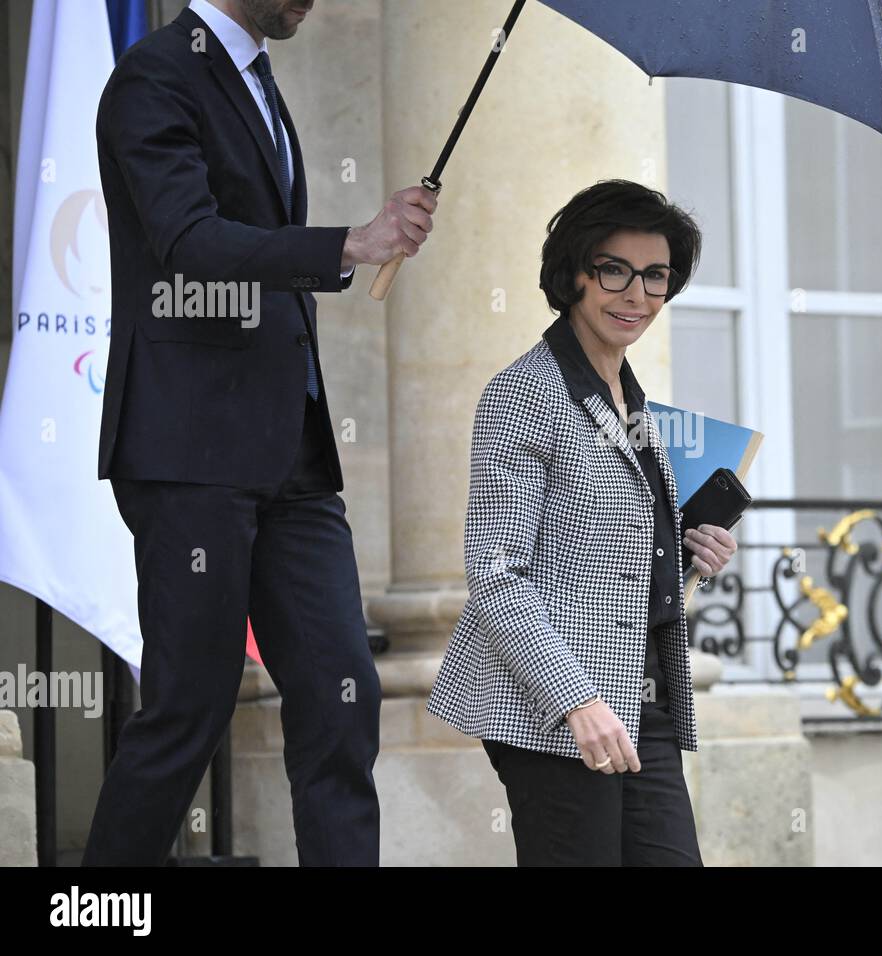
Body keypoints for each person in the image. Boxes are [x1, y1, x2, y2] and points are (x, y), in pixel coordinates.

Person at [86, 0, 437, 866]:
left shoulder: (257, 79)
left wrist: (352, 243)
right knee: (190, 709)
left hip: (294, 456)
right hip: (191, 451)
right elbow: (187, 239)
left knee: (343, 691)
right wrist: (348, 243)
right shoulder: (154, 74)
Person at [427, 179, 738, 866]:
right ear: (574, 274)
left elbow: (608, 553)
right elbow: (496, 573)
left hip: (644, 697)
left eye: (655, 276)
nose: (637, 294)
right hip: (555, 707)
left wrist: (685, 549)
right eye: (614, 270)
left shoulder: (635, 403)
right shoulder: (523, 394)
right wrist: (578, 702)